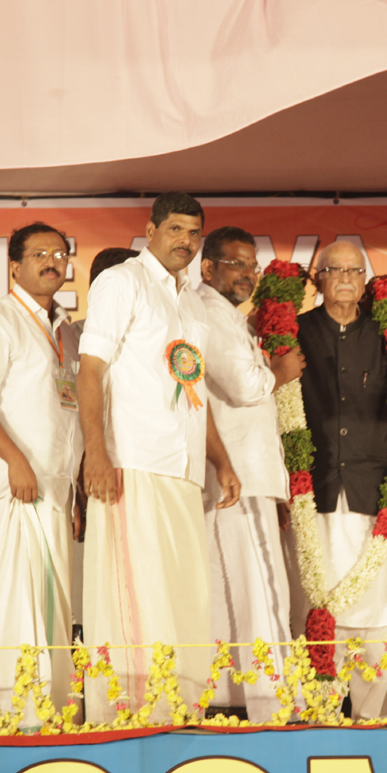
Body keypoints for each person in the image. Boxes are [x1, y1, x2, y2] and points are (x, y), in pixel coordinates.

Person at [78, 192, 241, 722]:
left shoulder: (191, 300)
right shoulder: (122, 281)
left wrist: (220, 459)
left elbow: (192, 388)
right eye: (174, 229)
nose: (185, 241)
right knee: (136, 589)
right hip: (133, 460)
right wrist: (96, 454)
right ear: (149, 231)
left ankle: (181, 710)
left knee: (184, 591)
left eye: (193, 233)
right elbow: (91, 372)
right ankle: (128, 715)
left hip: (183, 466)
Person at [292, 239, 387, 719]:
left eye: (357, 269)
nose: (347, 278)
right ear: (318, 279)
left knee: (379, 634)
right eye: (335, 270)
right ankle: (316, 729)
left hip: (379, 501)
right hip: (313, 505)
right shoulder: (291, 334)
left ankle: (371, 730)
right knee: (313, 622)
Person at [0, 222, 83, 728]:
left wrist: (72, 492)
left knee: (54, 611)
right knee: (16, 604)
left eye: (59, 254)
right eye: (39, 254)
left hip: (54, 488)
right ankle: (14, 721)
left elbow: (66, 413)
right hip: (16, 485)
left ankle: (52, 718)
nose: (51, 262)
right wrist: (15, 459)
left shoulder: (66, 330)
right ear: (14, 265)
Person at [196, 226, 304, 721]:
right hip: (236, 472)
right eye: (236, 264)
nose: (247, 275)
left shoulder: (226, 316)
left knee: (240, 586)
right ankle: (268, 704)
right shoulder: (209, 314)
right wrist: (280, 371)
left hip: (238, 473)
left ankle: (236, 700)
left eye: (252, 266)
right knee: (256, 586)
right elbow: (243, 386)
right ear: (208, 268)